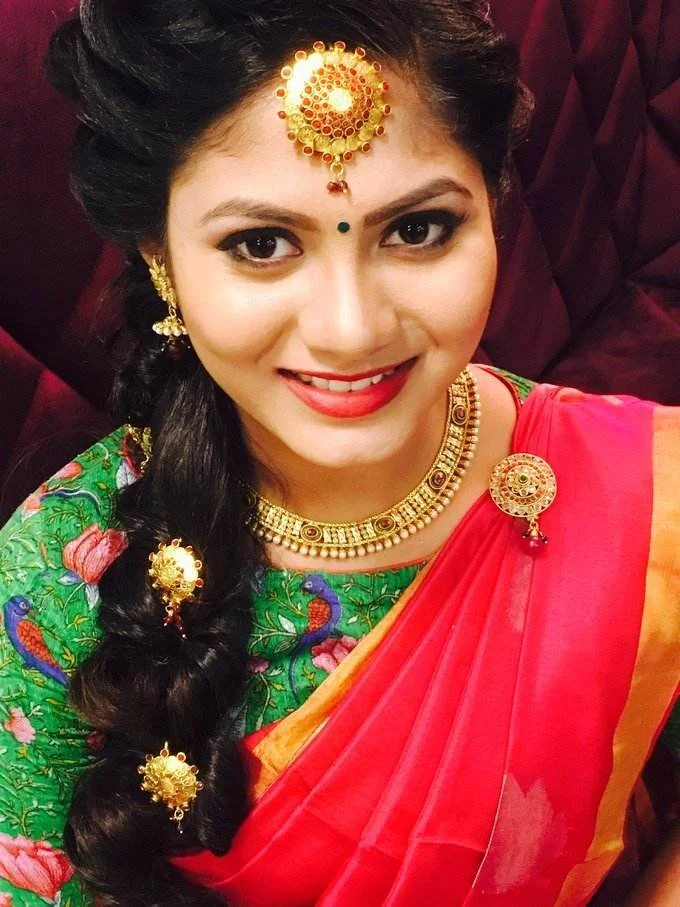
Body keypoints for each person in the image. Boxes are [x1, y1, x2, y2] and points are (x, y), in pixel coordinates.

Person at [0, 0, 678, 904]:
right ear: (161, 257)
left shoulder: (647, 488)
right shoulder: (57, 582)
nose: (352, 330)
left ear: (494, 204)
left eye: (417, 229)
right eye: (261, 244)